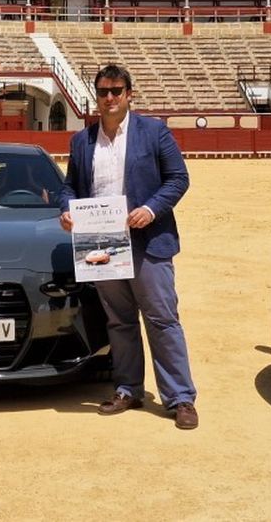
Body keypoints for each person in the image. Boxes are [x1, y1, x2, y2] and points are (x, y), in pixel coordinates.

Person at [59, 64, 198, 430]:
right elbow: (70, 186)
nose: (109, 98)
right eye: (103, 91)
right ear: (96, 96)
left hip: (148, 240)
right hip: (101, 242)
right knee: (119, 321)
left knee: (162, 319)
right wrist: (67, 210)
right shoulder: (82, 140)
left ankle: (180, 398)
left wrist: (151, 209)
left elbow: (178, 178)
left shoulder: (153, 131)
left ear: (129, 94)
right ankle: (128, 389)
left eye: (116, 91)